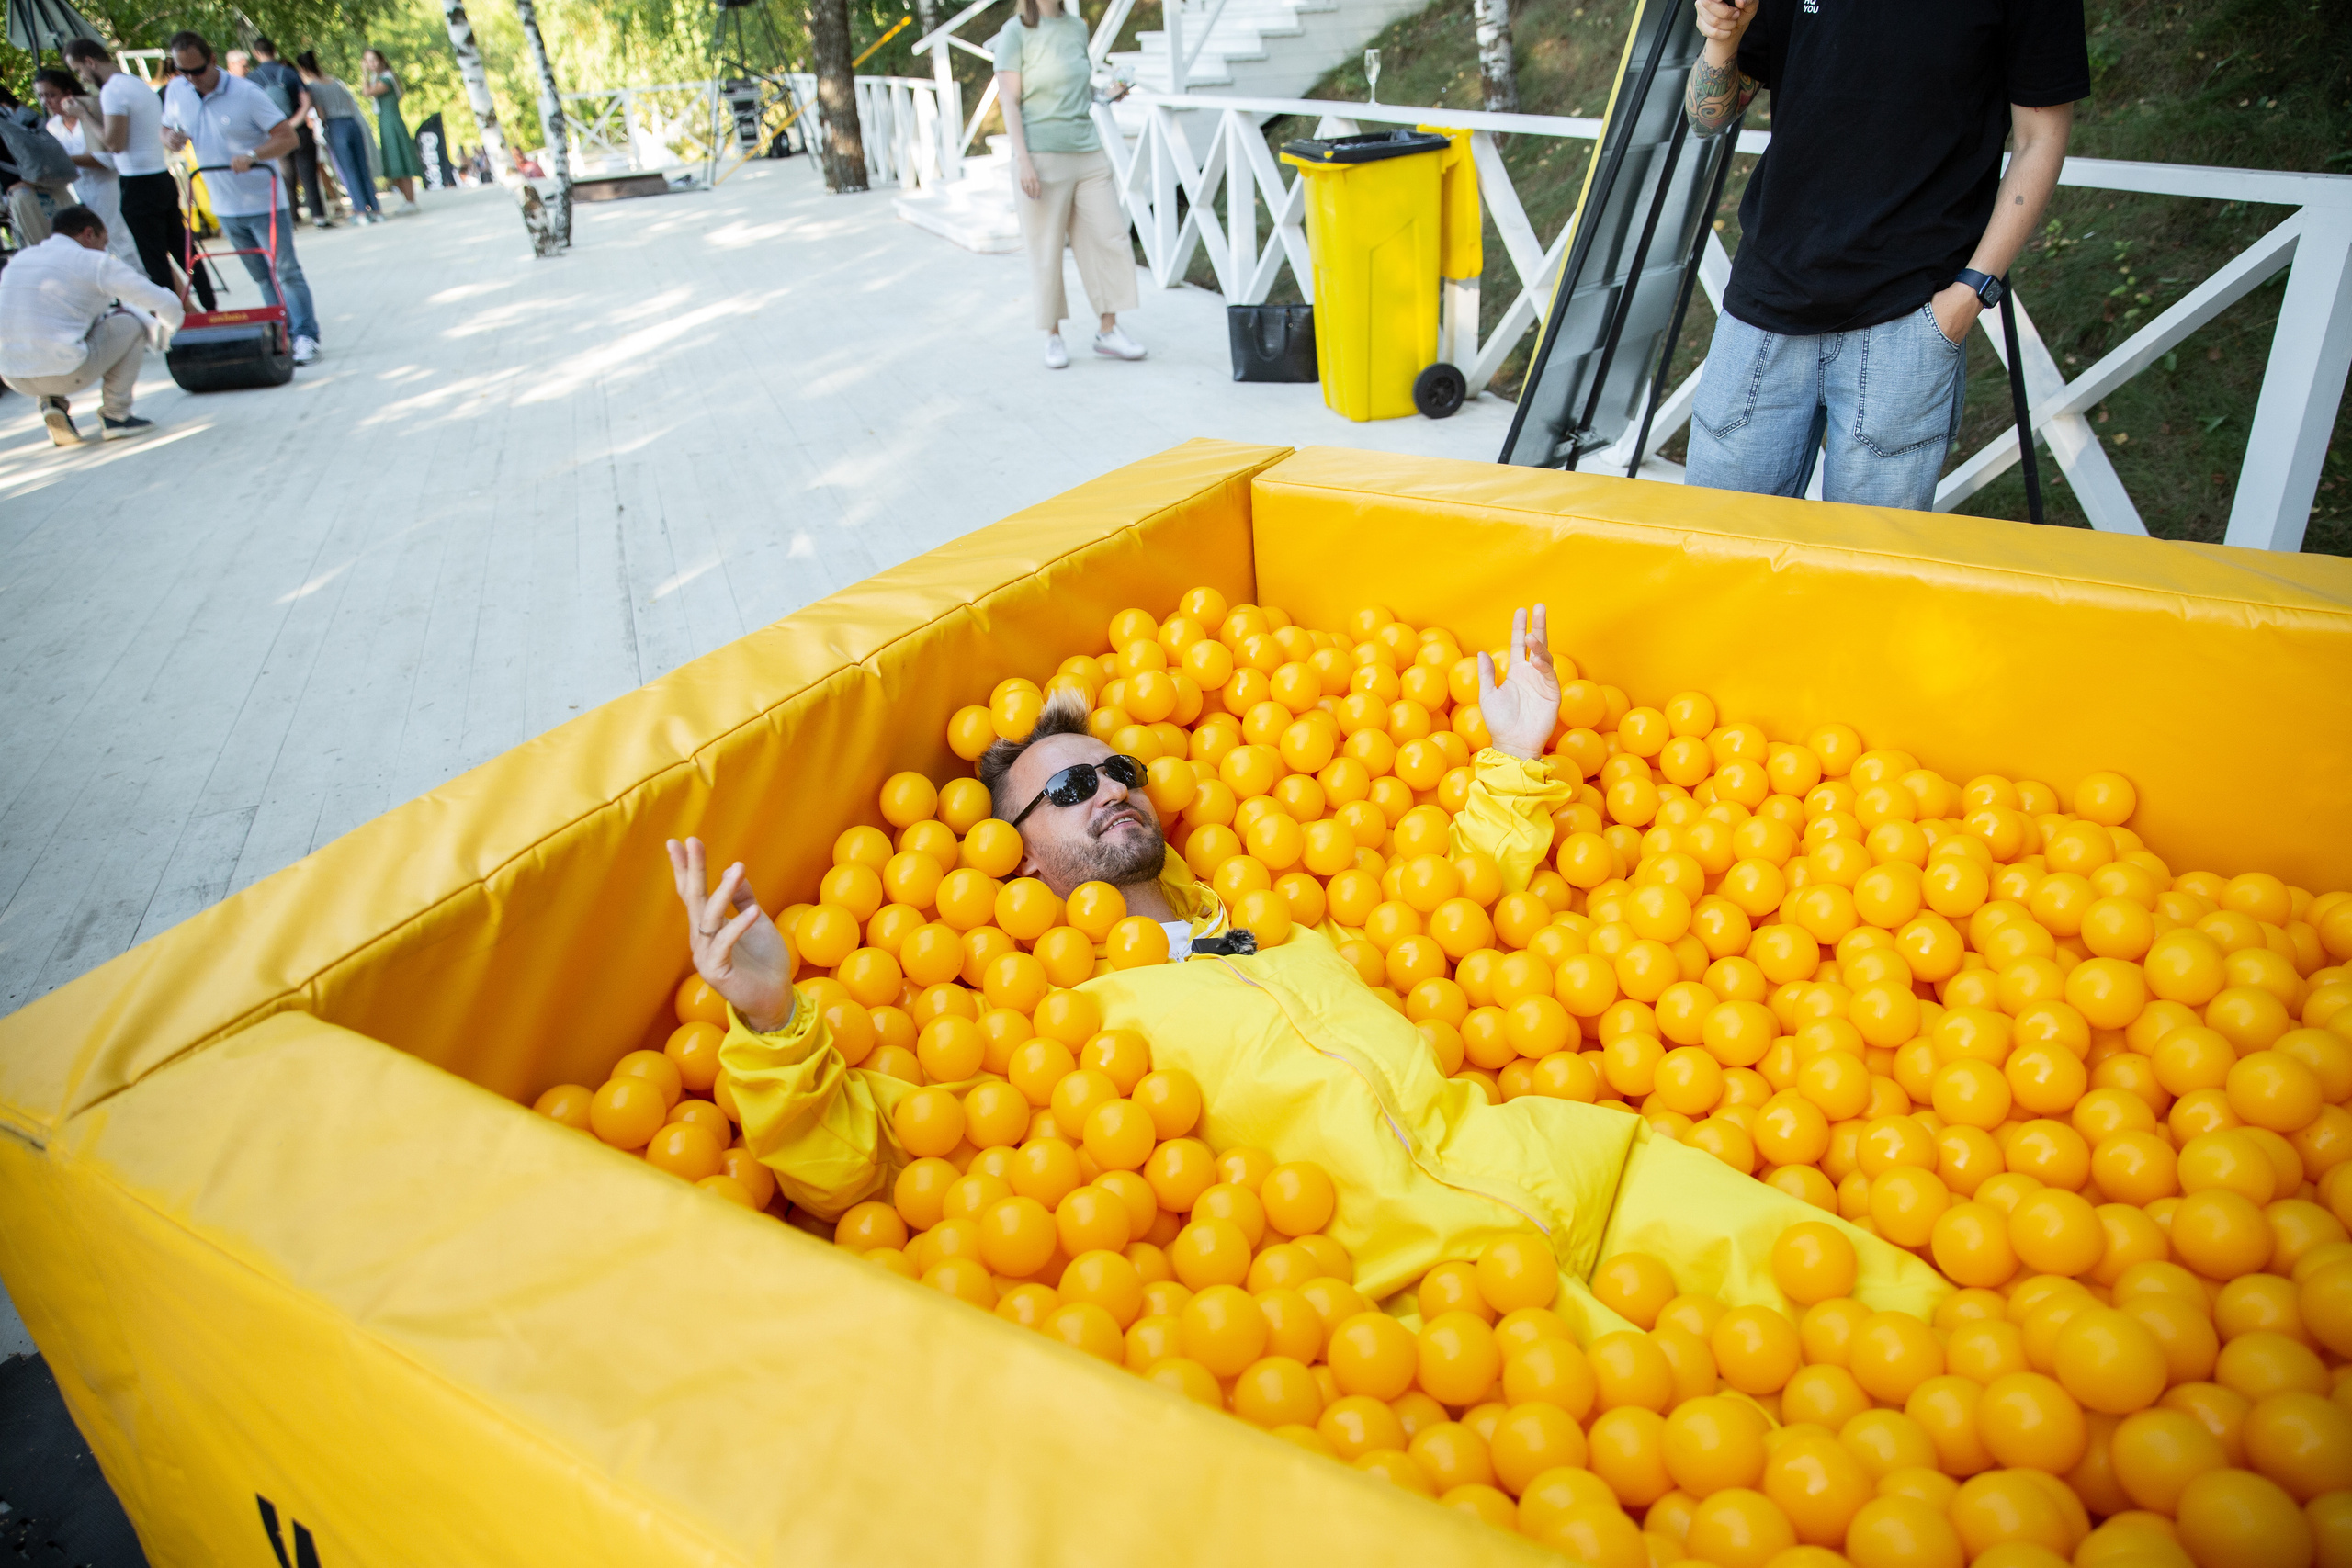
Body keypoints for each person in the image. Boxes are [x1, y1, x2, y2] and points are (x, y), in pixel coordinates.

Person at [668, 604, 1950, 1330]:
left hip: (1572, 1167)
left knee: (1910, 1318)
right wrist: (771, 1020)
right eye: (1064, 788)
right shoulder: (1055, 1023)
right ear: (1009, 856)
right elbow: (871, 1163)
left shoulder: (1266, 920)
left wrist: (1513, 758)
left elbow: (1446, 909)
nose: (1108, 786)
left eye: (1118, 767)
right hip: (1436, 1294)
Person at [1679, 0, 2086, 511]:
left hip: (1909, 323)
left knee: (1869, 560)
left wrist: (1970, 292)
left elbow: (2040, 139)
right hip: (1761, 310)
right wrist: (1722, 39)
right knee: (1718, 545)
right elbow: (1707, 117)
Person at [991, 0, 1144, 370]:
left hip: (1088, 151)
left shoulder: (1076, 27)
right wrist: (1024, 160)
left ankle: (1108, 330)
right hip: (1041, 156)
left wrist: (1106, 93)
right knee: (1046, 249)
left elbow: (1075, 85)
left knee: (1110, 237)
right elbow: (1009, 100)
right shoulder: (1015, 32)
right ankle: (1053, 335)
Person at [161, 31, 322, 366]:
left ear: (213, 60)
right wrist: (170, 137)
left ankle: (306, 335)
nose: (191, 79)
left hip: (263, 200)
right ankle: (282, 330)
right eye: (183, 72)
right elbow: (165, 127)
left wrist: (252, 154)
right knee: (262, 276)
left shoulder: (246, 93)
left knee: (285, 271)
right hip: (224, 204)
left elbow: (288, 138)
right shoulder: (178, 90)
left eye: (197, 70)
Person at [0, 203, 184, 446]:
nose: (104, 250)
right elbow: (165, 302)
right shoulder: (94, 262)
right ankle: (116, 415)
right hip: (65, 372)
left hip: (12, 375)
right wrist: (169, 336)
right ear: (88, 234)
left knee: (49, 324)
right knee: (130, 323)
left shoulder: (21, 259)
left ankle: (52, 403)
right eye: (103, 243)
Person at [31, 69, 135, 265]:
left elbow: (109, 160)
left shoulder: (90, 116)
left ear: (67, 93)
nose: (46, 102)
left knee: (125, 245)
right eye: (41, 96)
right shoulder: (53, 127)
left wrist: (66, 160)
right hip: (80, 194)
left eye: (51, 95)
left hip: (109, 191)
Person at [247, 37, 330, 230]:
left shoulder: (252, 78)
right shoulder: (289, 72)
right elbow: (306, 101)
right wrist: (293, 123)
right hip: (299, 130)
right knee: (308, 174)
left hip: (275, 134)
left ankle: (291, 218)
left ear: (256, 53)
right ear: (274, 51)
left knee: (286, 177)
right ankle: (319, 216)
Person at [295, 51, 380, 225]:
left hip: (335, 126)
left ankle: (361, 211)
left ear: (302, 69)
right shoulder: (335, 81)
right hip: (352, 123)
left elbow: (321, 113)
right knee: (362, 167)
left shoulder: (313, 87)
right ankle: (376, 209)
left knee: (348, 170)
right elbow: (350, 103)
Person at [0, 84, 77, 246]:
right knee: (78, 249)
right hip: (56, 186)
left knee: (45, 254)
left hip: (25, 195)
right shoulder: (17, 109)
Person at [359, 49, 424, 214]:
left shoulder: (386, 79)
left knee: (400, 159)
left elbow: (366, 92)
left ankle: (410, 200)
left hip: (392, 122)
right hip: (385, 122)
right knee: (393, 162)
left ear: (381, 60)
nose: (372, 64)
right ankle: (407, 200)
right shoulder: (379, 78)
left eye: (373, 60)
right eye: (368, 61)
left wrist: (364, 74)